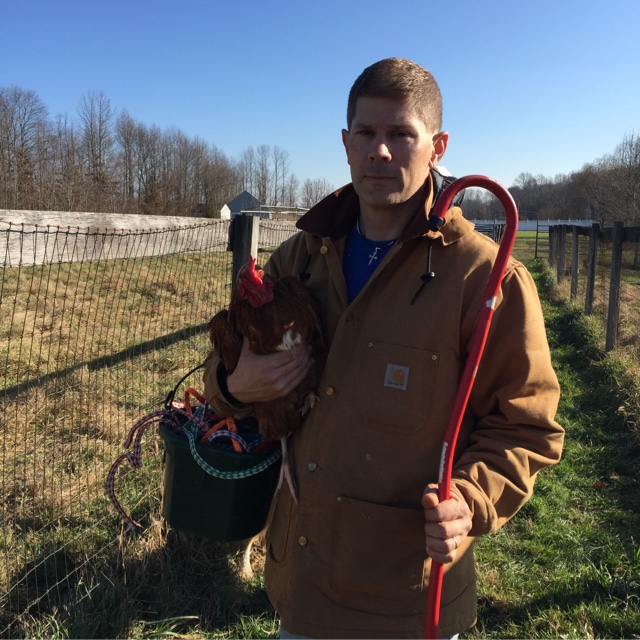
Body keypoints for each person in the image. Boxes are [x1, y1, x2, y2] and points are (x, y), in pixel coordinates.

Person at [204, 57, 564, 639]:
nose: (380, 151)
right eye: (366, 132)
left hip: (406, 596)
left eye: (401, 134)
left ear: (438, 146)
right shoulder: (300, 257)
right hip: (300, 582)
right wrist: (233, 385)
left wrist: (470, 501)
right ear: (346, 143)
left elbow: (527, 426)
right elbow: (226, 365)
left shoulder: (483, 278)